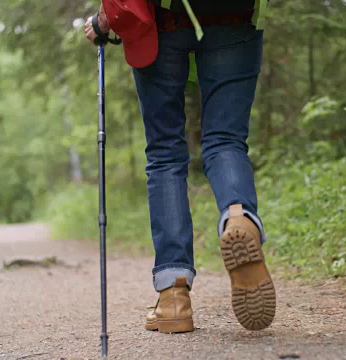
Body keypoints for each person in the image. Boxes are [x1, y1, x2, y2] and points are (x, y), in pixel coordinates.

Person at [84, 0, 275, 333]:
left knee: (165, 153)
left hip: (163, 20)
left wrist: (104, 20)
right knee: (226, 140)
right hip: (235, 13)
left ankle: (174, 296)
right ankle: (238, 218)